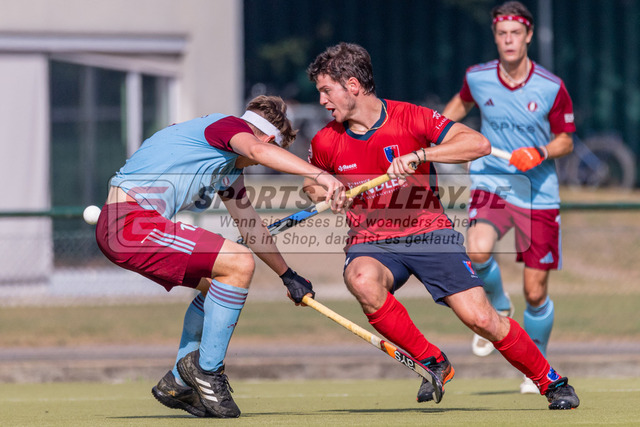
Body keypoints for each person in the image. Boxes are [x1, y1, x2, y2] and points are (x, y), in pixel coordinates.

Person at [303, 42, 579, 410]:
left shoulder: (410, 116)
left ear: (352, 85)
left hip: (428, 231)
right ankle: (433, 361)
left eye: (326, 90)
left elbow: (477, 144)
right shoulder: (326, 140)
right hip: (372, 239)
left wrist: (420, 154)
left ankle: (551, 382)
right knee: (361, 279)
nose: (322, 101)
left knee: (481, 319)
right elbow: (311, 183)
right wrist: (326, 189)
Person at [95, 95, 346, 418]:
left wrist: (287, 275)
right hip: (130, 224)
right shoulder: (227, 127)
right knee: (240, 262)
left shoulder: (225, 164)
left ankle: (179, 382)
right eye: (270, 150)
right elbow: (257, 151)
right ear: (267, 139)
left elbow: (250, 225)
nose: (257, 163)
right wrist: (321, 175)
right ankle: (208, 371)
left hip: (129, 226)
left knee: (220, 281)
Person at [441, 1, 575, 394]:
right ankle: (499, 304)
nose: (509, 40)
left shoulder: (551, 86)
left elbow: (566, 140)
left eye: (516, 33)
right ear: (495, 37)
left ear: (528, 35)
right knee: (476, 249)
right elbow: (459, 106)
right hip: (492, 182)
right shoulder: (478, 77)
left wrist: (540, 152)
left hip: (538, 193)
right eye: (502, 34)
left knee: (535, 292)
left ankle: (537, 365)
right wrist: (438, 131)